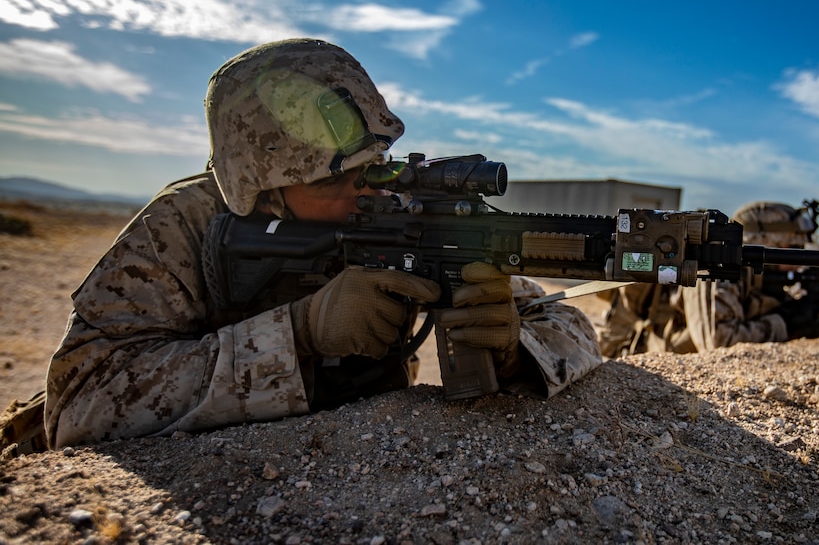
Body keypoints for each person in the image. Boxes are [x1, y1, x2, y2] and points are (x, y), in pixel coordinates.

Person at [43, 39, 601, 449]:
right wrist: (298, 332)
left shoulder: (403, 209)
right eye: (333, 180)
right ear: (261, 193)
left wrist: (515, 347)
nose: (367, 191)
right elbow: (79, 406)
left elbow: (573, 328)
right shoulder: (180, 228)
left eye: (375, 166)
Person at [596, 200, 819, 358]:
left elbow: (785, 318)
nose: (800, 258)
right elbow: (718, 340)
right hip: (652, 360)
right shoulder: (714, 268)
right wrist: (784, 323)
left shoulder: (769, 277)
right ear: (766, 244)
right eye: (794, 248)